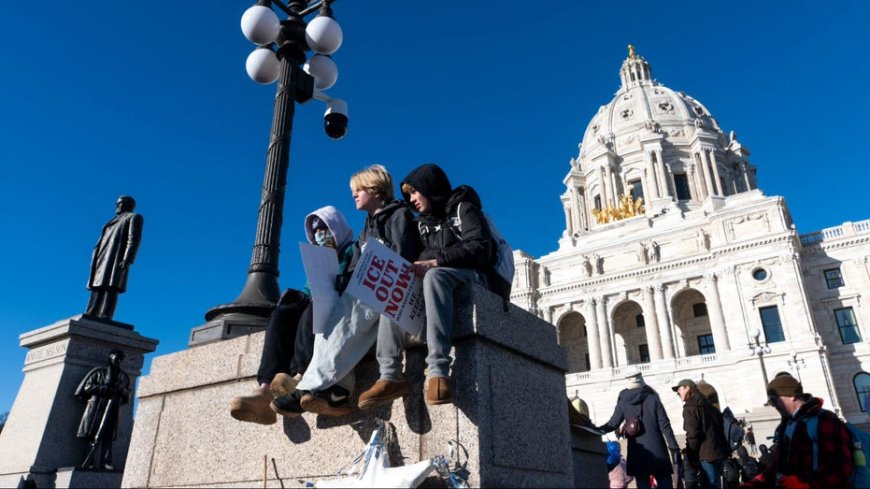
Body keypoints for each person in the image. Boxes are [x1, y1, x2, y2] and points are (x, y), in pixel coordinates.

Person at [271, 164, 422, 417]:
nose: (354, 194)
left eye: (359, 189)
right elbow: (354, 268)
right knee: (328, 315)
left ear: (375, 190)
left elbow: (403, 257)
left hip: (391, 289)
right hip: (368, 291)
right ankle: (337, 392)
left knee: (347, 319)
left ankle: (308, 387)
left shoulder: (399, 216)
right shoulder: (367, 227)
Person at [356, 163, 499, 408]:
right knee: (397, 282)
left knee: (435, 275)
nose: (411, 200)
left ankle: (438, 372)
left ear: (429, 188)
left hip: (478, 278)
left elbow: (481, 248)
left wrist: (437, 259)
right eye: (408, 195)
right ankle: (389, 375)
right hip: (444, 280)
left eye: (414, 193)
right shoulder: (421, 223)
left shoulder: (463, 208)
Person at [229, 206, 354, 425]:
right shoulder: (320, 259)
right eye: (315, 230)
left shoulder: (352, 250)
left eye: (324, 228)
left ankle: (299, 375)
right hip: (317, 303)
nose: (320, 234)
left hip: (341, 307)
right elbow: (310, 289)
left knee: (312, 309)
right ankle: (265, 389)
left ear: (336, 227)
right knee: (281, 315)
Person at [739, 373, 853, 488]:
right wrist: (754, 484)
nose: (774, 406)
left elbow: (841, 466)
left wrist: (806, 482)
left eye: (774, 400)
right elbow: (778, 466)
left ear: (792, 395)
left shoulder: (825, 419)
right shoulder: (787, 423)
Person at [597, 372, 680, 489]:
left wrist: (596, 430)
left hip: (637, 451)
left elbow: (613, 424)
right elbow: (665, 425)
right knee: (664, 483)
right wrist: (673, 446)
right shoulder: (653, 397)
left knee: (643, 485)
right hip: (657, 449)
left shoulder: (623, 401)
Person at [85, 195, 143, 321]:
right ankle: (91, 311)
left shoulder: (133, 217)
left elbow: (133, 239)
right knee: (98, 284)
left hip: (116, 256)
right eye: (116, 203)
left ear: (128, 204)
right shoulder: (112, 220)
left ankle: (105, 314)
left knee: (111, 285)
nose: (116, 205)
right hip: (103, 256)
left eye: (119, 203)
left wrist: (127, 259)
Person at [75, 350, 131, 470]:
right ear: (110, 357)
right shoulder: (99, 372)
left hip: (113, 407)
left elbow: (128, 393)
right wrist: (105, 389)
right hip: (97, 407)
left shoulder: (123, 376)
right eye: (117, 358)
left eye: (121, 359)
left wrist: (121, 390)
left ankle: (106, 462)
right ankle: (89, 461)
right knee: (92, 433)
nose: (119, 360)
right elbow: (88, 387)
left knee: (108, 435)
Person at [673, 379, 730, 489]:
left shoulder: (690, 408)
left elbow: (693, 434)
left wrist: (691, 455)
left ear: (687, 388)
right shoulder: (707, 404)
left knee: (710, 484)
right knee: (716, 484)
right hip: (718, 451)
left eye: (679, 389)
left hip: (705, 454)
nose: (677, 393)